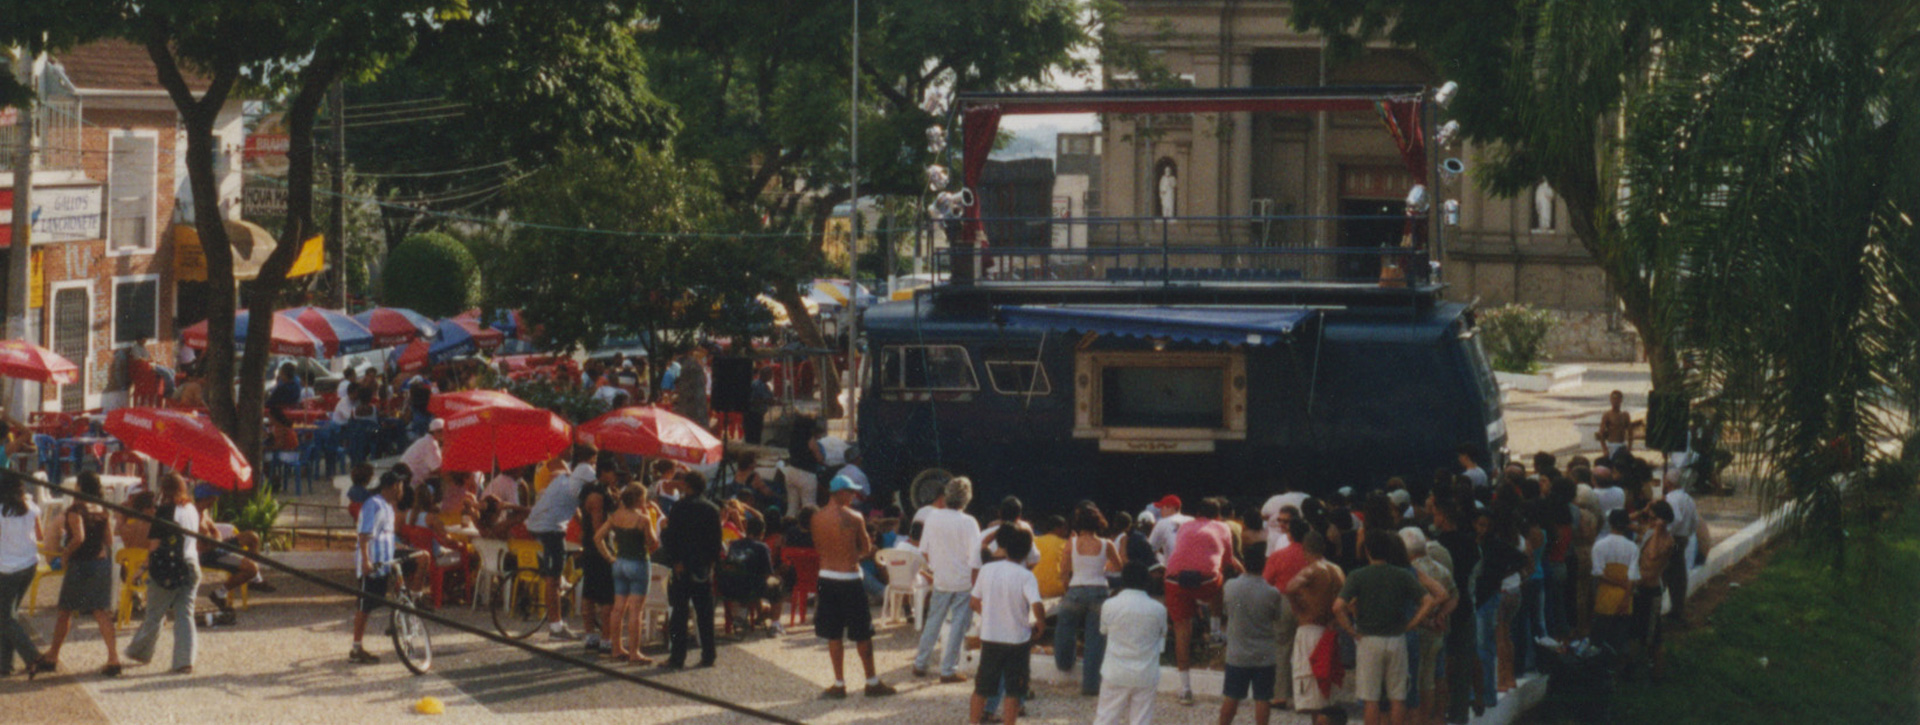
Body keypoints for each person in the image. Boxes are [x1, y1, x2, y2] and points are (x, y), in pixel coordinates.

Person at [1335, 531, 1441, 725]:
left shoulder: (1357, 575)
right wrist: (1413, 623)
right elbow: (1428, 600)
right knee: (1398, 697)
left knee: (1371, 699)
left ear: (1367, 551)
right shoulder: (1402, 574)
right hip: (1397, 639)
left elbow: (1338, 607)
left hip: (1368, 640)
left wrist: (1351, 630)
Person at [812, 474, 896, 697]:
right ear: (840, 493)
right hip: (849, 578)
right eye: (850, 492)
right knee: (862, 633)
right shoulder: (855, 517)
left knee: (833, 633)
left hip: (826, 576)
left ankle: (839, 684)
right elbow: (867, 548)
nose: (853, 496)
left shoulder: (816, 518)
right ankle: (871, 681)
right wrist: (852, 553)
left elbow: (819, 547)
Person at [37, 473, 123, 676]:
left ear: (80, 487)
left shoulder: (76, 510)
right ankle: (113, 657)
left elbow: (79, 537)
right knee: (100, 612)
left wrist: (66, 553)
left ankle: (53, 655)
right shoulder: (102, 509)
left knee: (65, 611)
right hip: (100, 562)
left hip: (81, 565)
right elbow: (109, 540)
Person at [1165, 497, 1241, 705]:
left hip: (1174, 580)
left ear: (1198, 513)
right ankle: (1216, 630)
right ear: (1218, 515)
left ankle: (1186, 689)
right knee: (1220, 577)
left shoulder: (1185, 526)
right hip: (1207, 581)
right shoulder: (1223, 527)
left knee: (1182, 632)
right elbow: (1227, 562)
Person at [126, 474, 201, 674]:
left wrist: (142, 569)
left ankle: (139, 650)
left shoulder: (166, 511)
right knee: (185, 613)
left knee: (154, 612)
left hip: (168, 566)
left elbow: (155, 545)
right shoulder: (192, 509)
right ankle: (185, 660)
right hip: (191, 563)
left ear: (163, 489)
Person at [969, 526, 1045, 725]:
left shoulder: (986, 569)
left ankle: (973, 722)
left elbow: (974, 602)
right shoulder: (1026, 576)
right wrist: (1041, 623)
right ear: (1026, 552)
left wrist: (990, 615)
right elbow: (1037, 604)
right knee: (1013, 690)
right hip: (1017, 640)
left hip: (990, 637)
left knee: (982, 687)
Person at [349, 467, 421, 664]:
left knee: (414, 562)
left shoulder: (389, 508)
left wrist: (400, 546)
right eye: (400, 486)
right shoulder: (374, 504)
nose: (402, 491)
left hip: (386, 562)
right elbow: (364, 534)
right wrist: (365, 560)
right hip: (372, 563)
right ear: (391, 487)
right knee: (364, 607)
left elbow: (385, 536)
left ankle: (400, 616)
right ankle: (356, 648)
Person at [525, 444, 597, 640]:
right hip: (549, 528)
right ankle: (556, 627)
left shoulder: (566, 479)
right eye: (593, 463)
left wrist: (585, 527)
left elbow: (576, 510)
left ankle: (559, 587)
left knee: (556, 574)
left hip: (542, 525)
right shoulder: (579, 477)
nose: (594, 467)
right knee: (553, 580)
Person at [913, 477, 981, 683]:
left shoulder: (933, 517)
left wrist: (937, 566)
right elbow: (976, 559)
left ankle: (920, 663)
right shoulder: (969, 522)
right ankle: (948, 669)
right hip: (963, 580)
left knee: (933, 621)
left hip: (941, 578)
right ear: (966, 499)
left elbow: (923, 550)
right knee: (958, 626)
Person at [659, 471, 722, 669]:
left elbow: (671, 537)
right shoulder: (712, 509)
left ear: (688, 486)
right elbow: (716, 541)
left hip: (682, 566)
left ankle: (677, 657)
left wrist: (675, 560)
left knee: (679, 613)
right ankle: (709, 654)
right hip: (703, 566)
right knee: (705, 614)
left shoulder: (679, 507)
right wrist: (711, 563)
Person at [1285, 532, 1349, 725]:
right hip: (1329, 629)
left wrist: (1297, 607)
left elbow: (1290, 587)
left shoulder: (1313, 569)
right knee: (1325, 689)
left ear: (1305, 550)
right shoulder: (1337, 570)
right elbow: (1344, 601)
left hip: (1310, 628)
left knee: (1313, 690)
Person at [1057, 506, 1121, 697]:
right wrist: (1103, 566)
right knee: (1095, 640)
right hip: (1099, 590)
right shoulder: (1106, 544)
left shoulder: (1072, 543)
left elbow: (1063, 571)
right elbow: (1118, 567)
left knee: (1064, 629)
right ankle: (1091, 686)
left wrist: (1067, 588)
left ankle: (1064, 663)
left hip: (1076, 589)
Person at [1094, 562, 1168, 725]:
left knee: (1105, 718)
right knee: (1141, 720)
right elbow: (1161, 635)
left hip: (1114, 672)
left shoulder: (1109, 605)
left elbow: (1104, 631)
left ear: (1123, 580)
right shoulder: (1159, 609)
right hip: (1146, 673)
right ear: (1146, 582)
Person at [1221, 542, 1286, 725]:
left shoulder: (1231, 586)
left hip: (1237, 653)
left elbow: (1226, 610)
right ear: (1263, 564)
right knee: (1262, 699)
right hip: (1264, 654)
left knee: (1231, 697)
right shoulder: (1272, 592)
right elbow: (1276, 617)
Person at [596, 483, 659, 664]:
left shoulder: (615, 516)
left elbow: (597, 537)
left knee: (618, 608)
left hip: (619, 562)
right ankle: (634, 652)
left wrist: (609, 557)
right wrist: (648, 519)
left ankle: (616, 648)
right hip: (638, 562)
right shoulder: (642, 519)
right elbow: (652, 543)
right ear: (640, 500)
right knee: (635, 611)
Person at [1402, 528, 1458, 725]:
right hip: (1437, 633)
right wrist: (1441, 614)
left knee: (1414, 683)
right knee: (1431, 680)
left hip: (1418, 632)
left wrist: (1421, 619)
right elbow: (1453, 596)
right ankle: (1432, 719)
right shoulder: (1439, 568)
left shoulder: (1411, 572)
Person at [1261, 510, 1310, 712]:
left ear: (1289, 534)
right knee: (1307, 649)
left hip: (1284, 602)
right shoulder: (1313, 556)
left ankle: (1280, 695)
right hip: (1309, 602)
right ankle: (1306, 696)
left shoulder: (1279, 555)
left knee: (1282, 648)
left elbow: (1266, 581)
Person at [0, 472, 44, 678]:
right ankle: (5, 664)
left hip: (7, 569)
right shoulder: (31, 507)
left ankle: (32, 656)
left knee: (5, 617)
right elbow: (40, 535)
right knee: (10, 615)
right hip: (29, 564)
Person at [1590, 509, 1641, 673]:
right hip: (1625, 599)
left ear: (1610, 523)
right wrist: (1626, 596)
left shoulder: (1599, 545)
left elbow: (1599, 573)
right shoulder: (1632, 547)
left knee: (1600, 637)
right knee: (1620, 637)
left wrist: (1616, 582)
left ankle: (1600, 670)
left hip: (1605, 597)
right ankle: (1619, 669)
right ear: (1627, 525)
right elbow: (1633, 577)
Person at [577, 458, 618, 654]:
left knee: (589, 592)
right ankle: (606, 639)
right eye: (613, 473)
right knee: (606, 597)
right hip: (599, 548)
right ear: (603, 472)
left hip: (589, 546)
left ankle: (590, 636)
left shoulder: (591, 490)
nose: (615, 477)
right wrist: (607, 553)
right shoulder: (597, 495)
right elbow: (597, 527)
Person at [1632, 501, 1675, 678]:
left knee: (1654, 637)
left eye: (1653, 518)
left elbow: (1652, 555)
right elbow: (1620, 521)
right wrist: (1641, 511)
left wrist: (1658, 530)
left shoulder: (1667, 540)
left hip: (1651, 591)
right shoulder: (1648, 532)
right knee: (1635, 630)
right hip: (1639, 588)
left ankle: (1657, 673)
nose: (1649, 521)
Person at [1660, 475, 1697, 625]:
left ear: (1668, 482)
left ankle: (1673, 611)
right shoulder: (1688, 498)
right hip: (1682, 539)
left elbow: (1675, 519)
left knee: (1666, 570)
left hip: (1674, 540)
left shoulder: (1672, 498)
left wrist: (1664, 532)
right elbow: (1694, 520)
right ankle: (1677, 609)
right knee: (1678, 573)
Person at [673, 347, 711, 430]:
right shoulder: (695, 365)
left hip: (690, 403)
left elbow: (680, 384)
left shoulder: (683, 364)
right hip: (698, 402)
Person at [1033, 515, 1070, 599]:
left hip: (1035, 589)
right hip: (1058, 591)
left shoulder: (1034, 541)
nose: (1066, 532)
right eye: (1065, 529)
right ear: (1057, 528)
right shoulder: (1066, 544)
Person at [1146, 495, 1191, 565]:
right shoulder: (1192, 520)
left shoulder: (1162, 522)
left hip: (1174, 569)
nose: (1160, 511)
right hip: (1195, 568)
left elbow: (1149, 549)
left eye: (1162, 508)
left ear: (1170, 508)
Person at [399, 419, 446, 484]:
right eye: (439, 431)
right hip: (411, 480)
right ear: (432, 432)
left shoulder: (427, 440)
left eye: (443, 431)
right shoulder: (431, 443)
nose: (442, 433)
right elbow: (437, 469)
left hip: (407, 476)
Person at [1597, 390, 1634, 457]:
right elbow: (1601, 434)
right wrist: (1605, 450)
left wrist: (1629, 448)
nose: (1615, 401)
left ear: (1621, 400)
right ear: (1610, 400)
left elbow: (1630, 433)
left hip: (1622, 445)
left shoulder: (1625, 415)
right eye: (1613, 399)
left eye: (1617, 399)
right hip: (1611, 446)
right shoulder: (1607, 415)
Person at [745, 367, 774, 444]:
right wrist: (766, 401)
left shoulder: (765, 386)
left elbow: (770, 398)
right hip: (753, 416)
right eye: (770, 374)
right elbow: (753, 401)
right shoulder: (757, 385)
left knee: (757, 438)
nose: (771, 377)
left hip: (759, 416)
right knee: (752, 439)